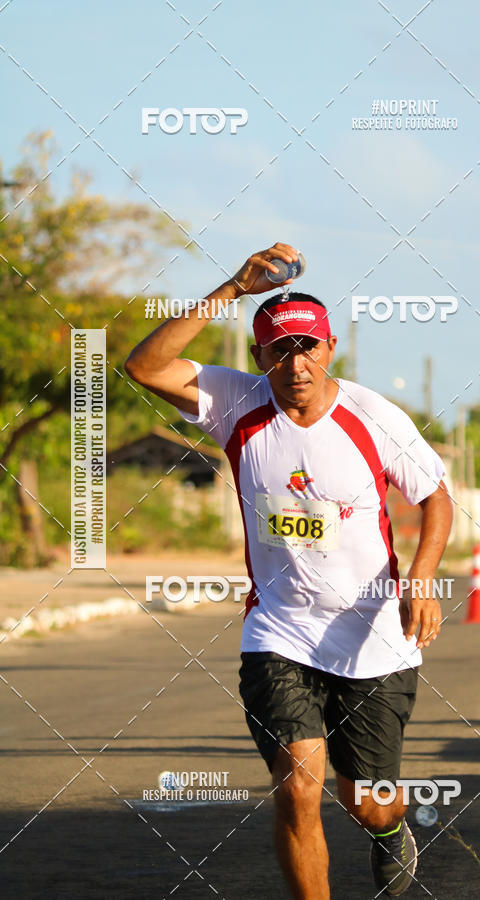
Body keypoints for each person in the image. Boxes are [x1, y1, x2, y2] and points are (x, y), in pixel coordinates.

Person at [125, 243, 453, 898]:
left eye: (307, 347)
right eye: (278, 350)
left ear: (330, 348)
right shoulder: (233, 401)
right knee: (297, 787)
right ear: (259, 358)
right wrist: (234, 286)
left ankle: (390, 831)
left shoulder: (373, 417)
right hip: (280, 633)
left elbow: (434, 496)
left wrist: (419, 579)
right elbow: (143, 365)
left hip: (373, 640)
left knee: (367, 801)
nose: (294, 363)